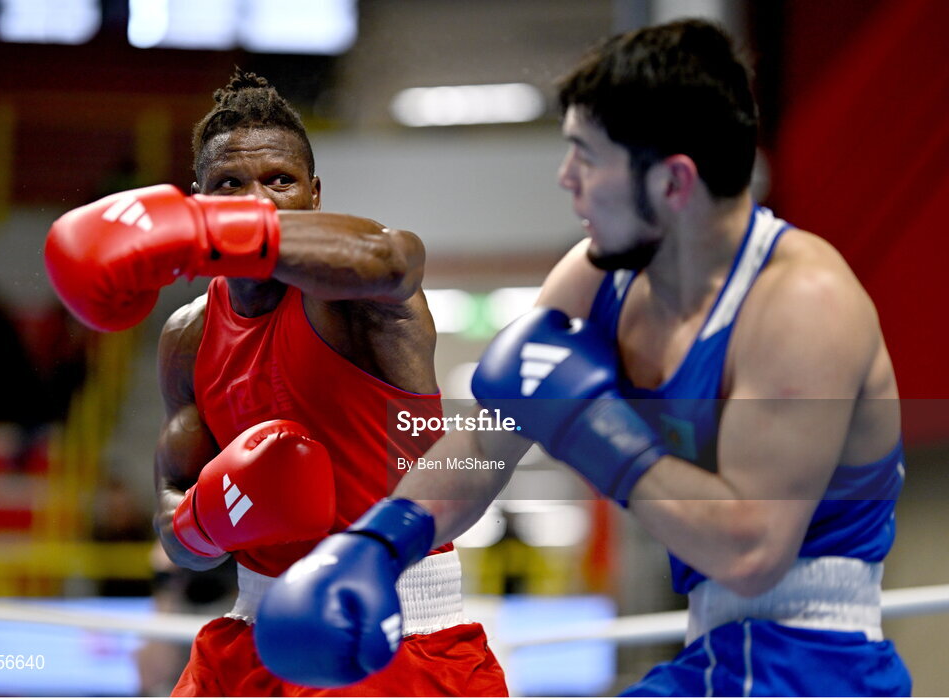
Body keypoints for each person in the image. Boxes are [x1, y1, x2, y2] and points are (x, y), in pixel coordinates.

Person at [255, 19, 912, 697]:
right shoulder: (601, 279)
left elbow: (751, 551)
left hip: (822, 666)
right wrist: (380, 540)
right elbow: (481, 446)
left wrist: (592, 428)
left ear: (673, 183)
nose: (567, 179)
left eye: (587, 156)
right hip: (716, 656)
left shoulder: (804, 300)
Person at [43, 71, 507, 697]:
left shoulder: (351, 299)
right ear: (198, 195)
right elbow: (173, 523)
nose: (256, 200)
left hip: (397, 630)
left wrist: (210, 234)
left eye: (279, 181)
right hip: (249, 634)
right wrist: (205, 524)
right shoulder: (187, 336)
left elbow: (392, 255)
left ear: (315, 196)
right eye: (229, 184)